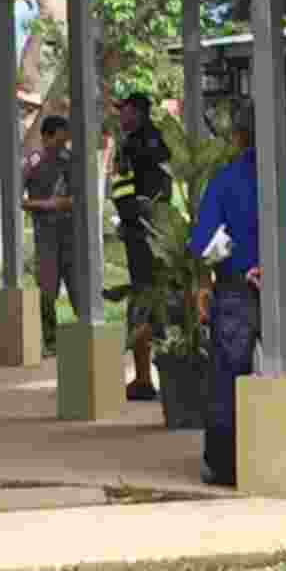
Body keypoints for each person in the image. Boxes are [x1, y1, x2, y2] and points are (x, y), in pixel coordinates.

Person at [190, 104, 286, 487]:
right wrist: (277, 264)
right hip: (283, 289)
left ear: (239, 137)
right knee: (283, 374)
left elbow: (207, 243)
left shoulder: (225, 180)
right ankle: (283, 460)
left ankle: (222, 466)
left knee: (226, 378)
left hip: (235, 290)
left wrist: (212, 280)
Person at [109, 92, 172, 401]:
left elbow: (136, 189)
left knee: (144, 300)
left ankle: (145, 378)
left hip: (143, 233)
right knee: (152, 299)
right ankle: (150, 377)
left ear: (138, 112)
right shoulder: (153, 140)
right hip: (149, 229)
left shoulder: (137, 143)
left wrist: (132, 218)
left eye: (125, 111)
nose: (121, 116)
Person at [22, 115, 77, 355]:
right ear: (46, 136)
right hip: (45, 235)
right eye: (60, 138)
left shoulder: (71, 161)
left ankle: (85, 331)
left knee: (78, 284)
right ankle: (50, 340)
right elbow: (19, 199)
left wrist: (65, 203)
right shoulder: (32, 162)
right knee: (46, 288)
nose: (64, 143)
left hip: (71, 234)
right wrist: (49, 205)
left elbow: (79, 198)